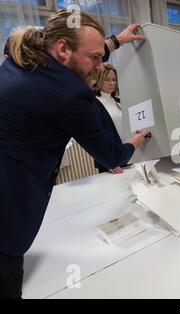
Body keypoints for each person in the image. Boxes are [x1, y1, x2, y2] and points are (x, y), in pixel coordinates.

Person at [0, 10, 150, 299]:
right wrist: (134, 143)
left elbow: (81, 56)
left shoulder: (22, 58)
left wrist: (116, 42)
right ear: (63, 49)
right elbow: (111, 156)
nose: (100, 66)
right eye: (95, 58)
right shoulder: (71, 95)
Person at [94, 64, 126, 174]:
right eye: (107, 79)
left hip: (126, 155)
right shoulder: (94, 102)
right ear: (99, 80)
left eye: (114, 79)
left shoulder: (119, 101)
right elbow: (95, 137)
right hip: (110, 162)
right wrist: (106, 162)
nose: (111, 83)